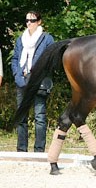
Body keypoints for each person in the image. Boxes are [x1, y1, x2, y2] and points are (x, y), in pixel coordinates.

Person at [11, 11, 54, 152]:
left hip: (38, 81)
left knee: (39, 117)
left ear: (39, 21)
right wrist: (17, 74)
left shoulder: (47, 39)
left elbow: (52, 60)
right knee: (21, 117)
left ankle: (39, 149)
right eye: (27, 20)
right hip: (22, 81)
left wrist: (38, 73)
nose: (29, 23)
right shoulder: (21, 39)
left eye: (32, 20)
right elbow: (15, 58)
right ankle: (22, 149)